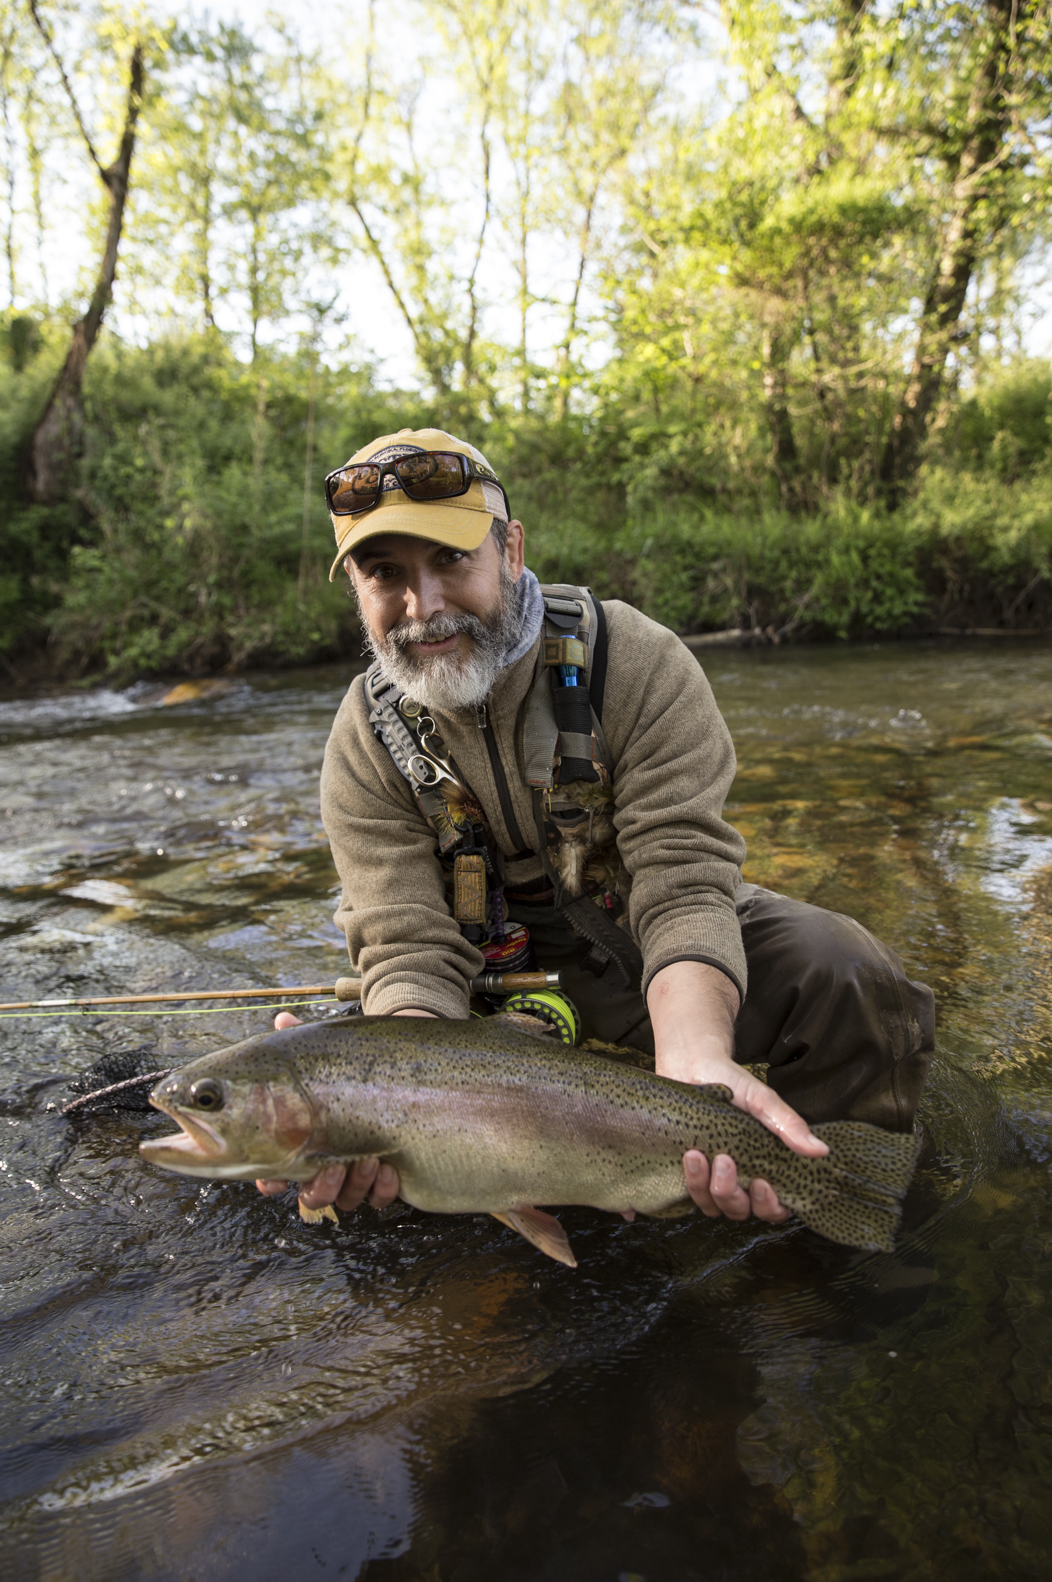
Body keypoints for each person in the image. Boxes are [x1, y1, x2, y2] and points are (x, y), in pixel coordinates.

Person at [257, 427, 935, 1229]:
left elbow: (682, 883)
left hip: (646, 952)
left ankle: (844, 1201)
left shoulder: (636, 662)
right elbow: (406, 947)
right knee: (361, 1166)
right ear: (356, 589)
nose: (423, 606)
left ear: (510, 551)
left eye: (450, 560)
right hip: (480, 998)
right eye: (385, 574)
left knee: (846, 971)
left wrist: (694, 1064)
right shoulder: (363, 740)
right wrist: (396, 1098)